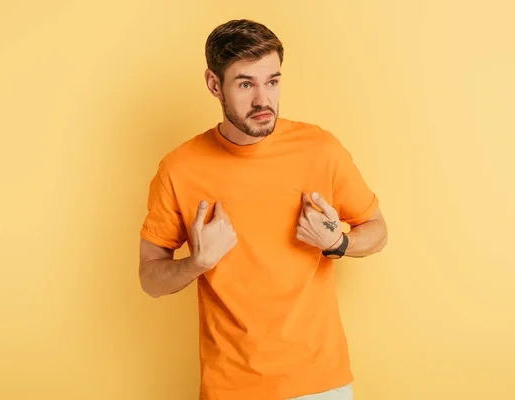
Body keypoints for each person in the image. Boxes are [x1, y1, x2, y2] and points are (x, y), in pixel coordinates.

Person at [138, 19, 388, 400]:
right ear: (213, 84)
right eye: (245, 83)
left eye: (272, 81)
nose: (262, 100)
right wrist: (197, 263)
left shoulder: (319, 148)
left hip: (321, 384)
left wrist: (337, 242)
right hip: (231, 389)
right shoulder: (180, 168)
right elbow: (150, 279)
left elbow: (377, 229)